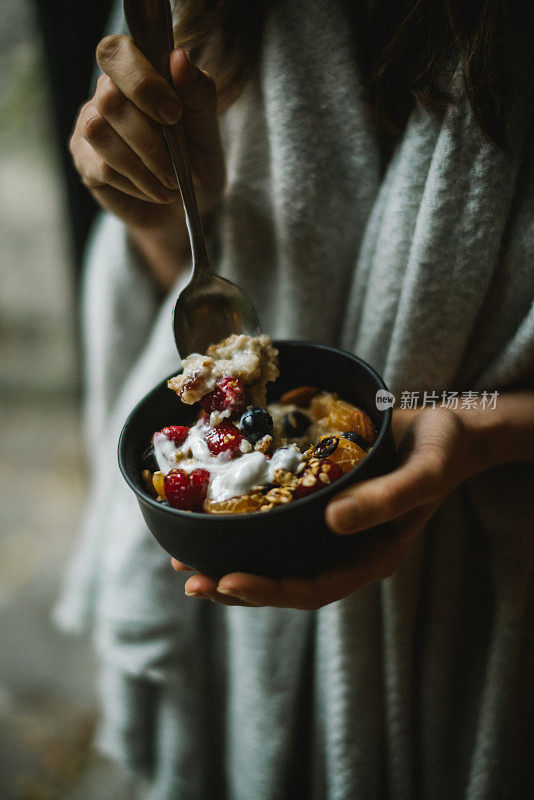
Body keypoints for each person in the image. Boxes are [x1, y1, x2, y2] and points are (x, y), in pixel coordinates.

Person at [58, 1, 534, 797]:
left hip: (494, 604)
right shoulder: (197, 11)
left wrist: (484, 431)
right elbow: (175, 279)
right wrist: (159, 218)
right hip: (236, 635)